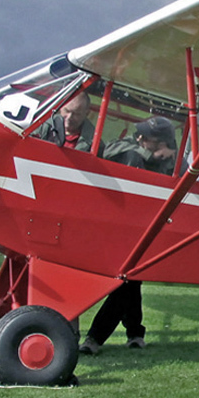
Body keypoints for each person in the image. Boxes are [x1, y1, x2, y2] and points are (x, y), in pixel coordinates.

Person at [80, 117, 178, 356]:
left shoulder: (172, 162)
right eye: (142, 136)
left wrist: (170, 156)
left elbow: (181, 175)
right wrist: (149, 155)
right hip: (122, 226)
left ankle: (96, 339)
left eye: (150, 139)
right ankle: (133, 333)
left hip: (149, 229)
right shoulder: (129, 147)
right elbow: (110, 149)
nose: (142, 139)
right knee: (129, 283)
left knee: (128, 282)